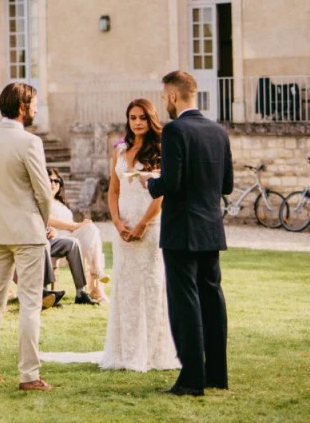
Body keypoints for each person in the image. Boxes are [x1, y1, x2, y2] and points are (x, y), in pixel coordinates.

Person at [144, 72, 233, 396]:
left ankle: (192, 379)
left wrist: (151, 182)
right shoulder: (218, 131)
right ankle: (217, 374)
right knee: (212, 299)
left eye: (164, 97)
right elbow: (227, 185)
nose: (164, 103)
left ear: (172, 96)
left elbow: (172, 183)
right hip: (210, 227)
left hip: (182, 228)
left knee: (185, 303)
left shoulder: (174, 130)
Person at [0, 82, 54, 391]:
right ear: (22, 107)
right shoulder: (30, 142)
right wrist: (42, 222)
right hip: (27, 230)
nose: (36, 109)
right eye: (34, 104)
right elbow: (43, 192)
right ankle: (29, 375)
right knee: (30, 304)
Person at [100, 98, 177, 372]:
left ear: (150, 119)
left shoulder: (161, 150)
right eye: (133, 118)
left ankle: (153, 352)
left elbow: (161, 194)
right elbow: (113, 190)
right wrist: (117, 222)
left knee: (151, 286)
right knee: (126, 288)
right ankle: (125, 351)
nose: (137, 122)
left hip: (150, 227)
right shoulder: (120, 151)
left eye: (142, 117)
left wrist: (143, 224)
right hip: (123, 229)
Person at [46, 167, 107, 302]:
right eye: (49, 180)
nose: (53, 184)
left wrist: (81, 226)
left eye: (56, 181)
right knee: (87, 230)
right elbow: (49, 220)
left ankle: (96, 271)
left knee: (92, 229)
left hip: (72, 240)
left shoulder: (61, 203)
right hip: (57, 243)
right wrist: (76, 225)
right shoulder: (42, 201)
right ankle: (96, 275)